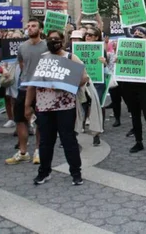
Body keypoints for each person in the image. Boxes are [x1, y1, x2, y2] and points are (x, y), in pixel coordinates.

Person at [29, 30, 89, 186]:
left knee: (68, 140)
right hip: (44, 107)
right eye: (50, 39)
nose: (52, 41)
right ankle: (44, 172)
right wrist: (27, 105)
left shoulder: (70, 58)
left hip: (65, 106)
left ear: (62, 41)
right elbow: (32, 84)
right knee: (45, 142)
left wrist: (67, 82)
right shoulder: (42, 59)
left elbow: (84, 78)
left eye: (56, 39)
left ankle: (76, 173)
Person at [5, 19, 47, 165]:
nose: (30, 28)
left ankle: (38, 150)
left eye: (33, 26)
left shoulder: (47, 46)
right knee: (20, 120)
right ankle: (23, 152)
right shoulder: (22, 46)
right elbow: (22, 64)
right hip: (24, 87)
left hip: (42, 89)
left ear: (40, 29)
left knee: (41, 121)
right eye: (28, 26)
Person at [118, 30, 146, 154]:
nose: (137, 38)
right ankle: (138, 142)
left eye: (141, 36)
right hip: (130, 88)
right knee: (135, 116)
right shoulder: (126, 49)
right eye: (135, 36)